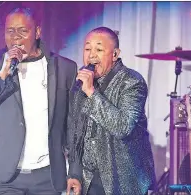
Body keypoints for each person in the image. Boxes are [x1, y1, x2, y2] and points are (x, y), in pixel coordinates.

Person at [0, 7, 77, 195]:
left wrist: (74, 171)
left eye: (23, 31)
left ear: (37, 32)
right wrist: (2, 76)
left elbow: (73, 124)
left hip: (48, 175)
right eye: (10, 31)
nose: (15, 38)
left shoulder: (64, 67)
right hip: (5, 175)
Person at [66, 27, 156, 195]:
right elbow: (75, 133)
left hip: (123, 183)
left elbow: (122, 127)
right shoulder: (81, 84)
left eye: (99, 49)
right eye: (87, 49)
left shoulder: (131, 81)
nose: (91, 55)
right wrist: (74, 173)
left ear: (115, 54)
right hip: (89, 180)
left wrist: (92, 93)